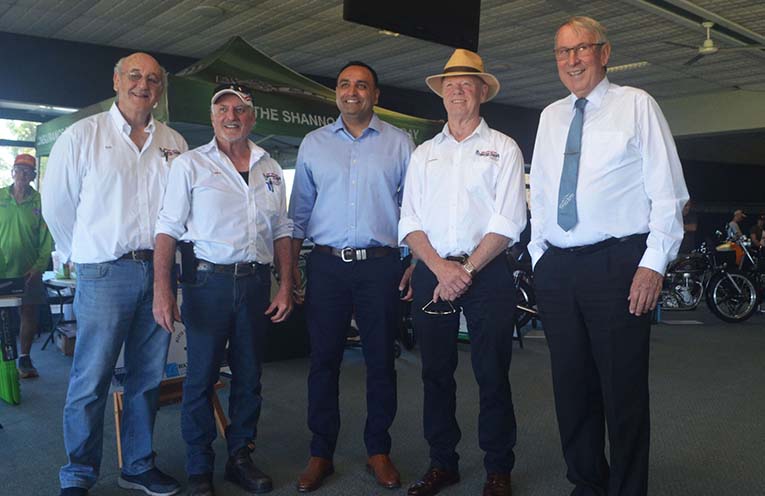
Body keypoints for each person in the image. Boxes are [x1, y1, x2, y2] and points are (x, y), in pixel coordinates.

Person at [528, 17, 688, 496]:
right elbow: (541, 194)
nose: (572, 60)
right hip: (558, 268)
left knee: (622, 392)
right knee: (571, 388)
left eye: (582, 48)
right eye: (562, 52)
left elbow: (669, 194)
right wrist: (539, 256)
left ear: (604, 52)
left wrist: (652, 264)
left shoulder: (636, 105)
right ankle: (587, 484)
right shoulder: (550, 116)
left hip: (618, 265)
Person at [42, 53, 188, 496]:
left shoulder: (174, 143)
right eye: (135, 76)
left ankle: (138, 466)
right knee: (91, 379)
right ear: (116, 80)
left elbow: (181, 210)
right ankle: (79, 474)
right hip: (104, 273)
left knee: (148, 377)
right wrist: (81, 254)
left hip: (160, 273)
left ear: (160, 90)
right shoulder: (82, 136)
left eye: (153, 79)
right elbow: (57, 205)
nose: (144, 85)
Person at [153, 82, 293, 496]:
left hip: (256, 283)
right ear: (212, 117)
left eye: (240, 109)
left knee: (249, 376)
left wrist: (286, 284)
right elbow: (167, 229)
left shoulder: (270, 167)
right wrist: (163, 289)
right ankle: (199, 466)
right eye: (223, 110)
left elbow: (282, 229)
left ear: (252, 116)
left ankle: (240, 458)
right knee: (200, 378)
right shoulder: (190, 164)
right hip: (207, 284)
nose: (232, 117)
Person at [399, 48, 527, 496]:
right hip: (433, 272)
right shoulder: (423, 154)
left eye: (466, 84)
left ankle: (498, 469)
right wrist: (440, 268)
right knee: (435, 373)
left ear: (481, 92)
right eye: (450, 85)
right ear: (442, 94)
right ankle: (443, 464)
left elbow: (508, 221)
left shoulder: (504, 148)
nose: (457, 91)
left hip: (487, 272)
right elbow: (409, 221)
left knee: (492, 373)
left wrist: (466, 270)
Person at [288, 61, 414, 492]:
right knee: (323, 361)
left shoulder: (400, 144)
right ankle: (321, 453)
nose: (352, 91)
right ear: (336, 93)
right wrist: (290, 272)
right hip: (326, 266)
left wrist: (414, 261)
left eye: (362, 85)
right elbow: (298, 214)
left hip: (381, 265)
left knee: (381, 360)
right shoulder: (314, 144)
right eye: (344, 84)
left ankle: (378, 449)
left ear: (375, 95)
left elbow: (414, 211)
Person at [0, 153, 53, 378]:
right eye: (18, 170)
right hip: (2, 270)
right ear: (12, 172)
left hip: (29, 271)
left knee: (29, 313)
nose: (21, 175)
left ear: (33, 176)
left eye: (27, 171)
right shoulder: (0, 197)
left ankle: (24, 358)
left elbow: (47, 237)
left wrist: (39, 266)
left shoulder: (41, 201)